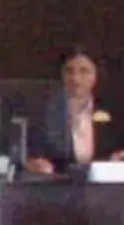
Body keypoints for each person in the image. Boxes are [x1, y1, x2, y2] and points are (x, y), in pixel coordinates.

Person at [25, 46, 115, 175]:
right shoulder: (44, 113)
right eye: (69, 71)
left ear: (96, 76)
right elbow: (32, 155)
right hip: (58, 187)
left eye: (84, 71)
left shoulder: (109, 112)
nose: (76, 79)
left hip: (102, 188)